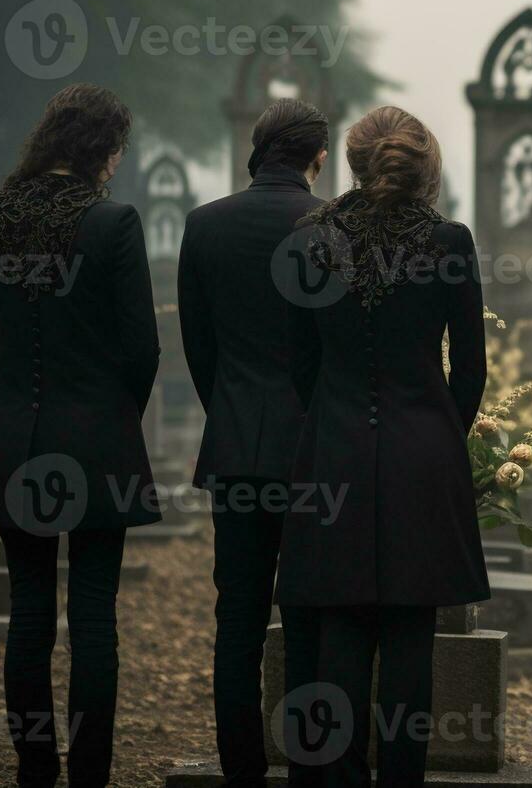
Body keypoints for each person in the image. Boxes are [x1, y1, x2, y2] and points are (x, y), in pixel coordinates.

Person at [274, 106, 489, 787]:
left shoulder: (310, 240)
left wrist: (333, 415)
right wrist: (439, 430)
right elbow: (472, 370)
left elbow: (298, 361)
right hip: (423, 451)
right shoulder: (451, 241)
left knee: (339, 626)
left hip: (333, 449)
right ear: (427, 170)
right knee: (409, 635)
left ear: (354, 163)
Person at [0, 82, 161, 788]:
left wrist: (10, 413)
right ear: (100, 151)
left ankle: (35, 770)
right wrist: (112, 418)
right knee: (93, 619)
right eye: (115, 153)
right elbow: (143, 351)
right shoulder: (113, 225)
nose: (115, 166)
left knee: (28, 611)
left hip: (16, 440)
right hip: (98, 440)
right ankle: (91, 775)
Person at [178, 98, 330, 788]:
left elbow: (198, 347)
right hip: (313, 454)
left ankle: (241, 771)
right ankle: (307, 766)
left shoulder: (204, 225)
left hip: (237, 446)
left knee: (235, 620)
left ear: (257, 148)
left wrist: (232, 414)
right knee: (308, 624)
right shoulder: (331, 228)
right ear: (316, 159)